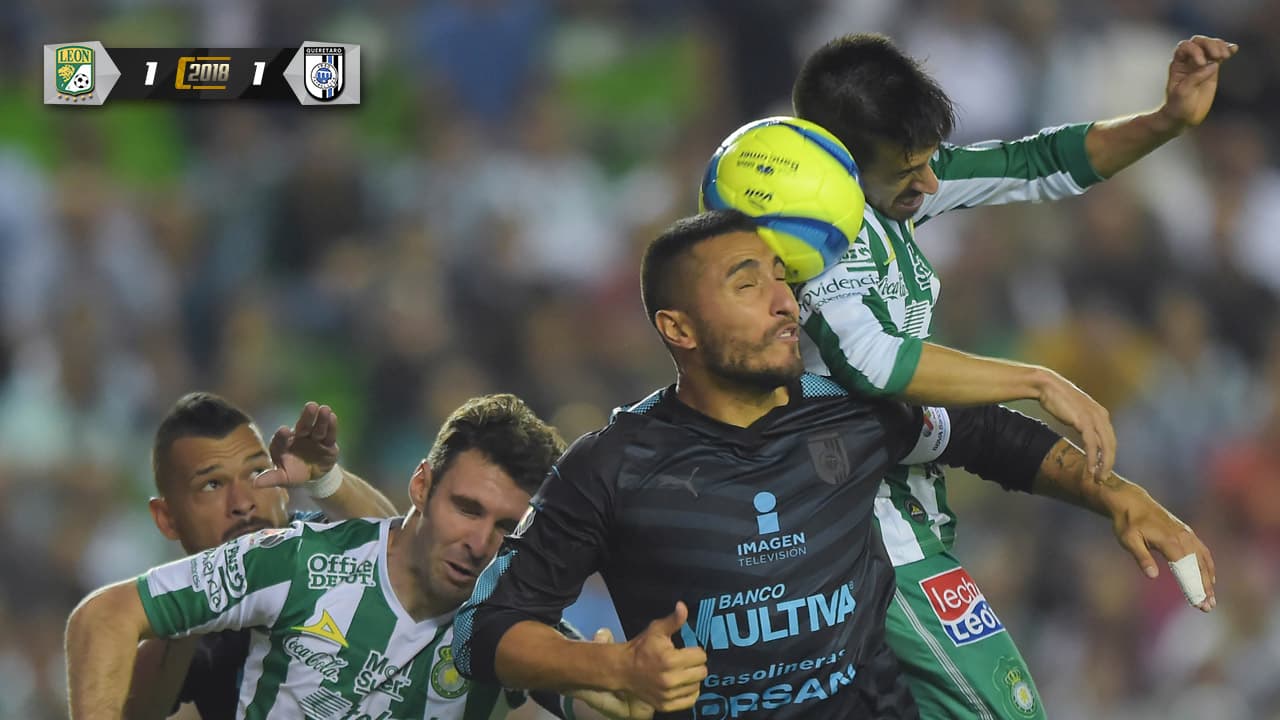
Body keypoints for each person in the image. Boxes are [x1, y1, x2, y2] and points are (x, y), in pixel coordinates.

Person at [451, 212, 1211, 719]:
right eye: (748, 285)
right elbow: (488, 630)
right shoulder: (613, 463)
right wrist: (613, 669)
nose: (785, 302)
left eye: (783, 278)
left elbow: (987, 437)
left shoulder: (849, 408)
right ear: (676, 326)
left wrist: (1119, 497)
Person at [787, 32, 1233, 718]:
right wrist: (1039, 379)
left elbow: (1034, 162)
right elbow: (878, 363)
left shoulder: (888, 195)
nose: (931, 182)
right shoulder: (814, 239)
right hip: (863, 524)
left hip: (908, 511)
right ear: (839, 165)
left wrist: (1164, 120)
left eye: (930, 160)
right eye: (910, 169)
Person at [66, 393, 612, 720]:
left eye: (506, 528)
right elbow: (105, 622)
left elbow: (604, 698)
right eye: (467, 509)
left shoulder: (508, 626)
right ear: (421, 484)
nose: (478, 542)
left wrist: (629, 680)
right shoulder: (292, 559)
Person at [124, 393, 399, 720]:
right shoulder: (199, 625)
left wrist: (325, 478)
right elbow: (134, 711)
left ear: (282, 487)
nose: (242, 502)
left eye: (257, 473)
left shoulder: (314, 543)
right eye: (212, 484)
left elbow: (394, 548)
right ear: (167, 518)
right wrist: (189, 601)